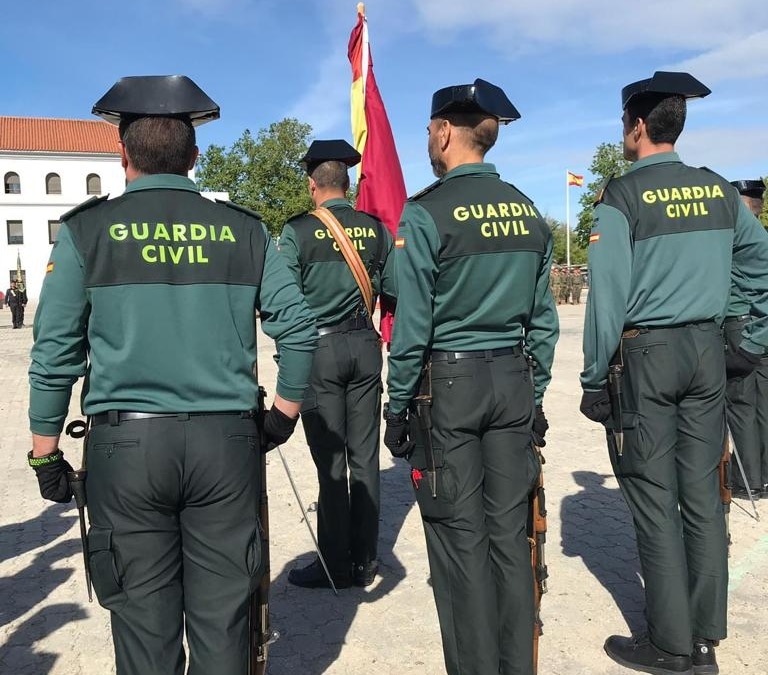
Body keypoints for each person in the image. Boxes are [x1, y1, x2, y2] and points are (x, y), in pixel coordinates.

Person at [27, 75, 318, 675]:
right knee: (225, 625)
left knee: (141, 629)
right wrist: (282, 418)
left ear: (123, 154)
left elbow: (55, 351)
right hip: (226, 447)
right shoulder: (244, 230)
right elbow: (299, 330)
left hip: (126, 451)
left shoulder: (86, 232)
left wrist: (44, 454)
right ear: (193, 157)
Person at [580, 71, 768, 675]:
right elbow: (759, 267)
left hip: (649, 357)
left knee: (655, 498)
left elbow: (606, 297)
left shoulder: (623, 197)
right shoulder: (717, 191)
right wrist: (747, 333)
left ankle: (670, 642)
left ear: (636, 127)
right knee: (703, 497)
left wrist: (592, 378)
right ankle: (707, 629)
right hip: (708, 352)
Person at [384, 78, 559, 675]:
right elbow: (544, 323)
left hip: (448, 391)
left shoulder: (426, 211)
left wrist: (397, 405)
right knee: (511, 540)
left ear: (442, 131)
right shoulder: (528, 210)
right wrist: (534, 395)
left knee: (460, 545)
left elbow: (412, 327)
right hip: (512, 381)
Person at [278, 139, 396, 589]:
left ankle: (334, 565)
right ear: (347, 184)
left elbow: (282, 302)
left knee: (330, 461)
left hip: (318, 352)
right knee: (364, 459)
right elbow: (394, 291)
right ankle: (365, 560)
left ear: (313, 186)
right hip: (365, 346)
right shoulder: (376, 228)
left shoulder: (298, 232)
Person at [725, 179, 768, 500]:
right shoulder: (762, 236)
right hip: (762, 326)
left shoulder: (736, 236)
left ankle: (747, 480)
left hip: (741, 325)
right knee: (763, 404)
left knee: (741, 404)